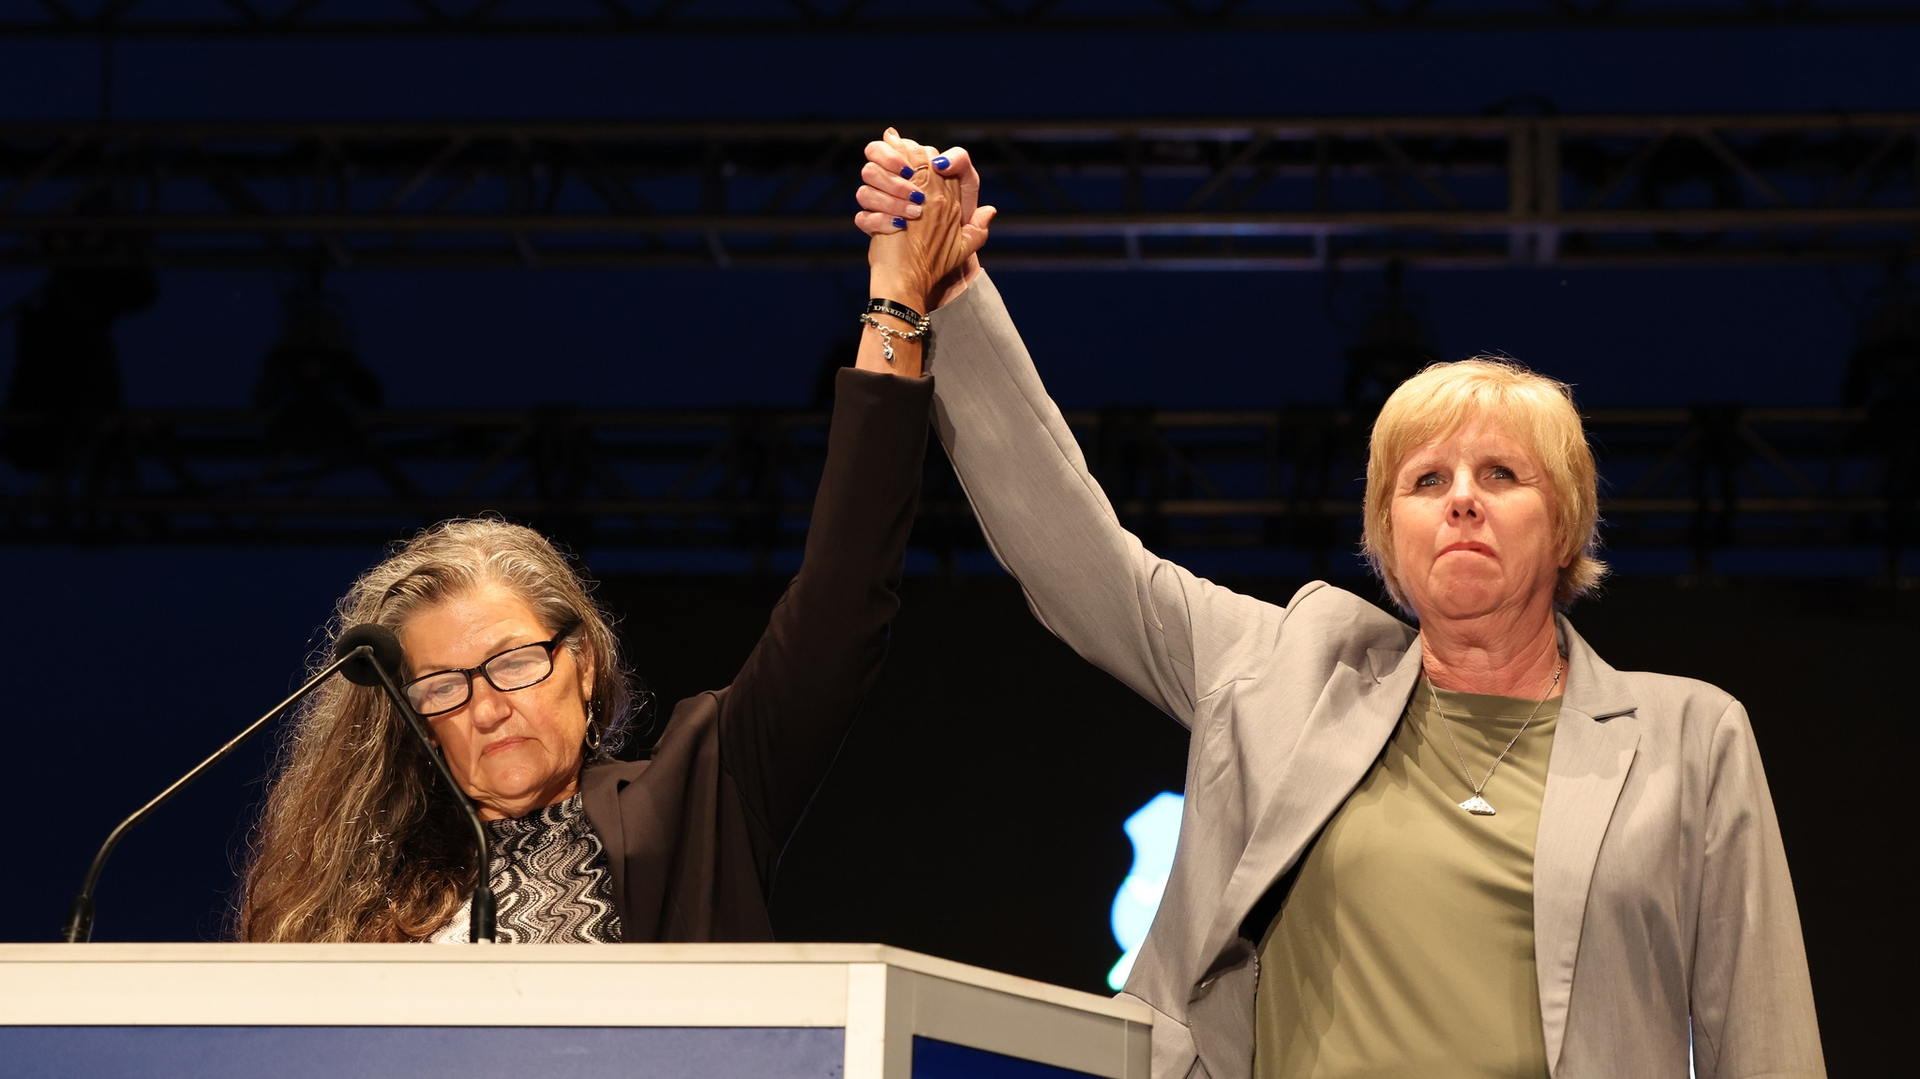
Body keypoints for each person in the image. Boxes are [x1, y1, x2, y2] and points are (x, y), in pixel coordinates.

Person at [854, 132, 1823, 1078]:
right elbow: (1086, 562)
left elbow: (1766, 1039)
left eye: (1501, 473)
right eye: (1426, 479)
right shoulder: (1292, 669)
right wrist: (954, 299)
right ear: (1388, 537)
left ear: (1566, 524)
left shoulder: (1689, 738)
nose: (1462, 499)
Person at [237, 136, 984, 945]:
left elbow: (843, 598)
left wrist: (896, 298)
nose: (488, 707)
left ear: (583, 663)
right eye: (445, 687)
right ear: (418, 725)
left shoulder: (704, 799)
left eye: (515, 662)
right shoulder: (357, 917)